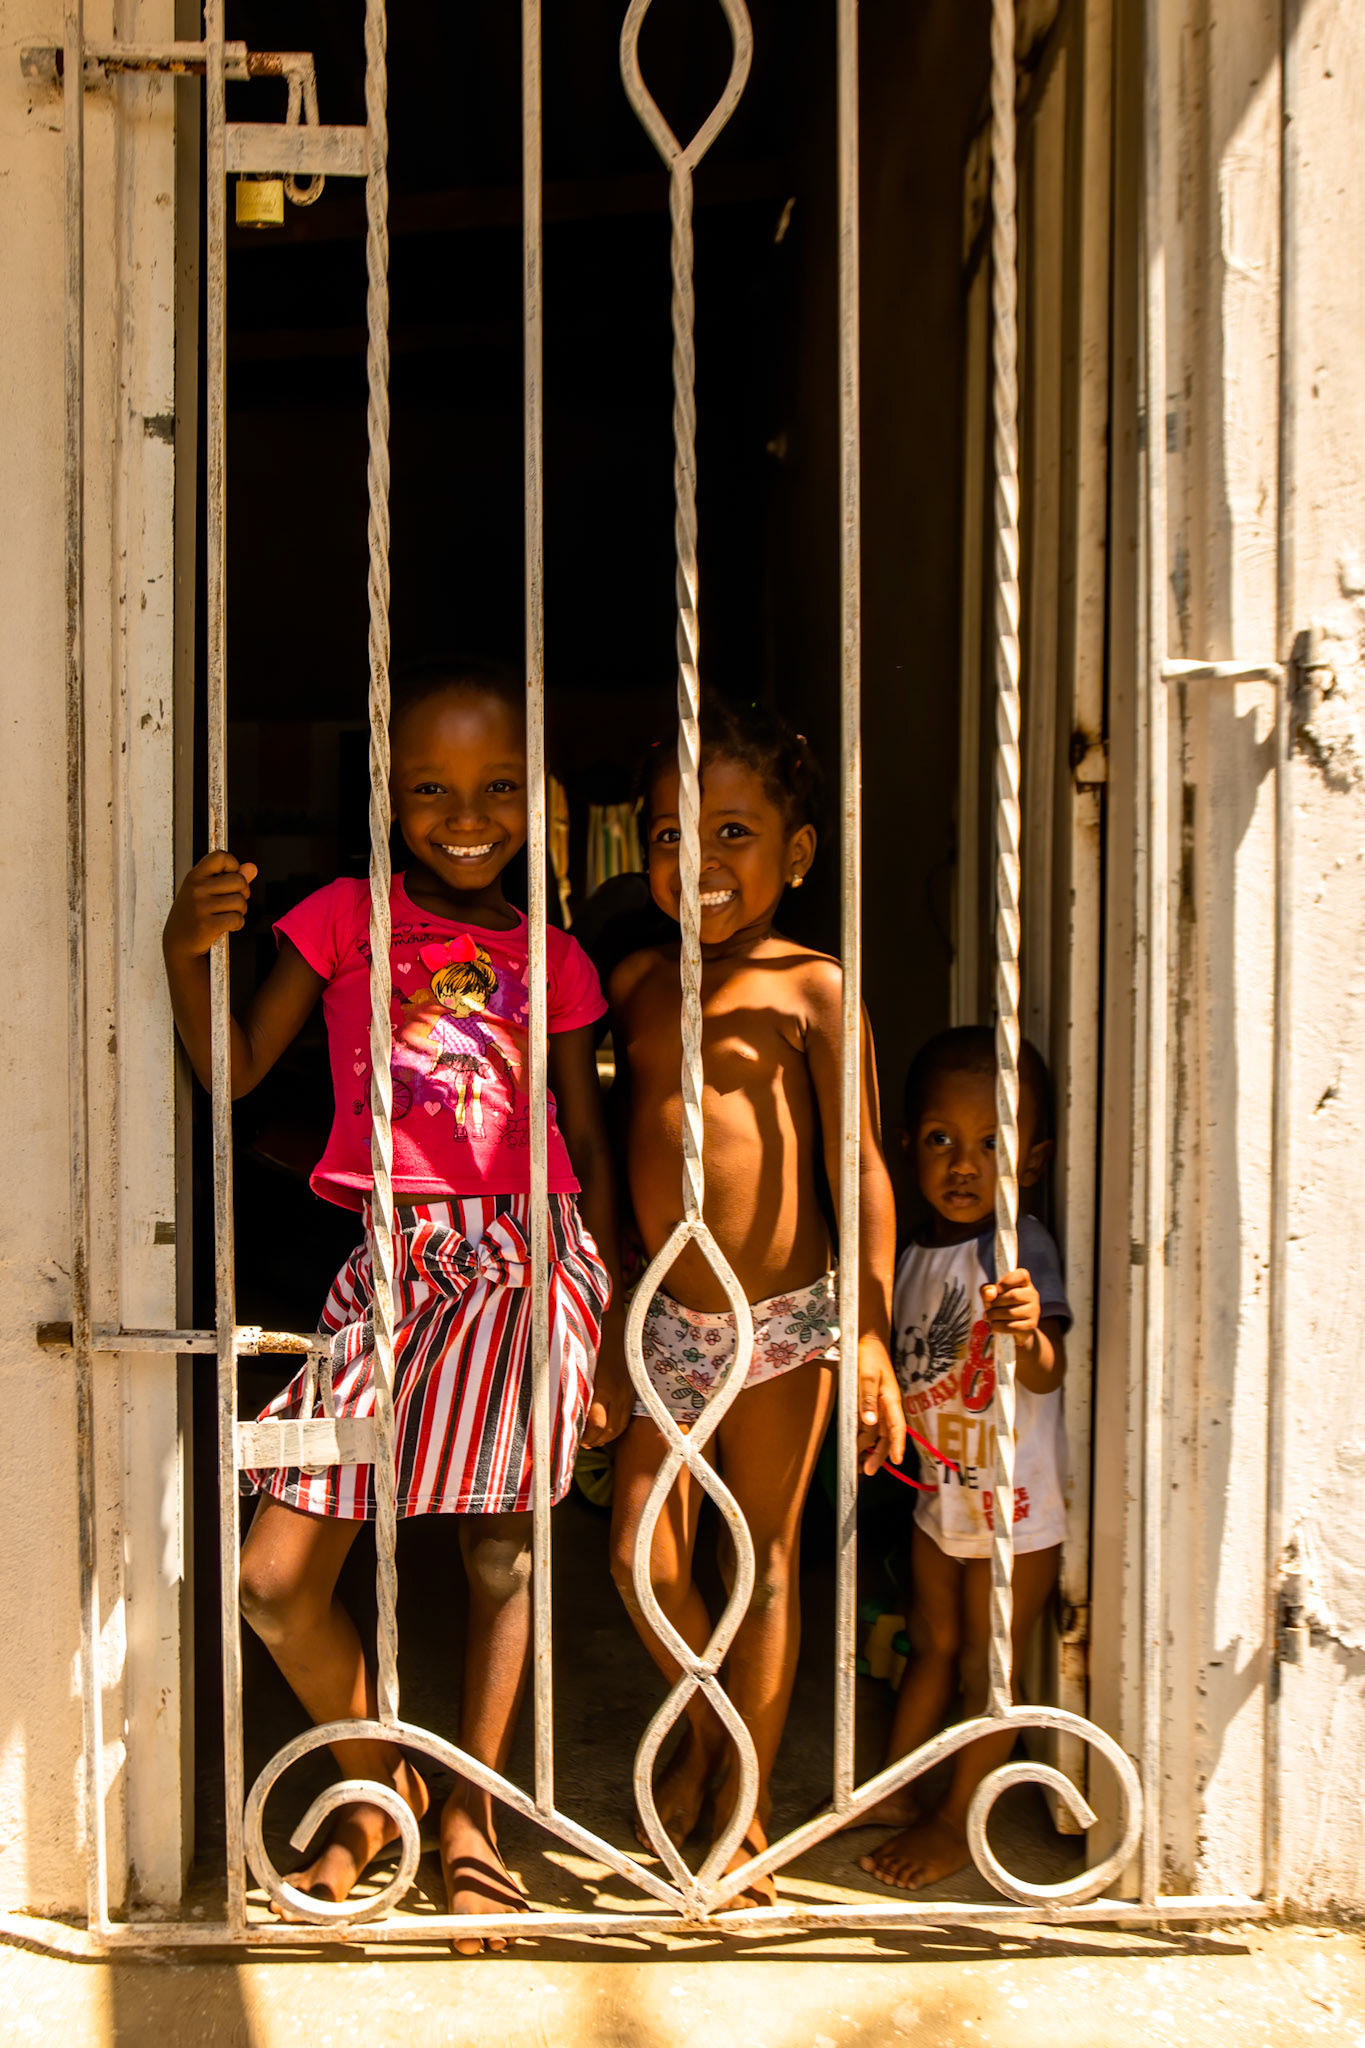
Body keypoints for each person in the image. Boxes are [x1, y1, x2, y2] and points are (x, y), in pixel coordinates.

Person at [162, 656, 631, 1952]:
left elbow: (585, 1139)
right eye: (430, 786)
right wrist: (183, 952)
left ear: (534, 799)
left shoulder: (555, 956)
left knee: (500, 1551)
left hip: (530, 1261)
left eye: (493, 787)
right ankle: (383, 1780)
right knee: (273, 1578)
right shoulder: (337, 918)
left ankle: (469, 1820)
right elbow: (235, 1070)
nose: (463, 814)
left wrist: (614, 1338)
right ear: (390, 794)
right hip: (390, 1266)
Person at [607, 698, 907, 1905]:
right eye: (675, 833)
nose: (703, 860)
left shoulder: (813, 988)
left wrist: (873, 1332)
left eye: (734, 832)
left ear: (796, 852)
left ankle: (745, 1802)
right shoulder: (635, 981)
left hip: (783, 1319)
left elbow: (865, 1167)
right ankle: (710, 1727)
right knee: (641, 1549)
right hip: (667, 1320)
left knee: (768, 1556)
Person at [850, 1025, 1069, 1892]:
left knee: (990, 1664)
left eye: (993, 1144)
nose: (965, 1165)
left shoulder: (1017, 1252)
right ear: (908, 1148)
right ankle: (896, 1789)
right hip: (941, 1493)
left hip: (1016, 1504)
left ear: (1035, 1158)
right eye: (942, 1140)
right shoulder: (908, 1253)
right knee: (930, 1642)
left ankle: (954, 1819)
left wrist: (1024, 1330)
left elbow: (1047, 1371)